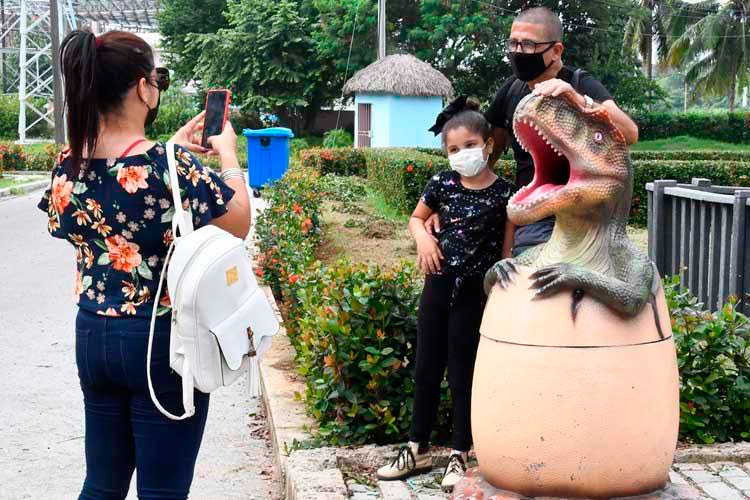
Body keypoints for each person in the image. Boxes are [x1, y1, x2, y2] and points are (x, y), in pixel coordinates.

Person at [38, 29, 251, 500]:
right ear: (142, 86)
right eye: (160, 78)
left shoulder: (68, 161)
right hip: (161, 342)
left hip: (93, 335)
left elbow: (71, 220)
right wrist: (230, 155)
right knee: (163, 491)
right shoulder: (168, 164)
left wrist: (169, 153)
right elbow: (237, 223)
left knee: (102, 483)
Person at [376, 97, 515, 491]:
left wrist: (499, 290)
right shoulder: (441, 183)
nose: (462, 155)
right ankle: (416, 448)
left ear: (488, 145)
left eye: (469, 146)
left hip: (474, 292)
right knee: (426, 367)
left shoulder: (505, 193)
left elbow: (506, 250)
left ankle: (459, 453)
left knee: (461, 373)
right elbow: (416, 218)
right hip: (436, 283)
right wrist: (422, 239)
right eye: (453, 150)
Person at [483, 6, 639, 256]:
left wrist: (579, 100)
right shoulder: (512, 90)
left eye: (528, 45)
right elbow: (492, 150)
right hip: (536, 213)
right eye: (513, 43)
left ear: (556, 51)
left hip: (582, 213)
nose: (518, 52)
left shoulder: (579, 83)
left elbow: (630, 133)